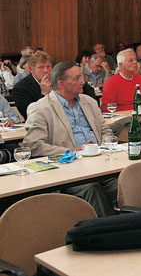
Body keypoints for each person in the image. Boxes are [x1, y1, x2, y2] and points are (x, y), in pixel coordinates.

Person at [23, 62, 116, 217]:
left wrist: (107, 146)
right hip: (69, 169)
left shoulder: (89, 102)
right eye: (77, 78)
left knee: (127, 182)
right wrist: (72, 151)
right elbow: (34, 146)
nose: (83, 82)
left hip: (101, 163)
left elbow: (105, 132)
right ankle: (111, 232)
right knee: (91, 188)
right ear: (61, 84)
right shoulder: (41, 108)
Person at [13, 52, 53, 120]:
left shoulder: (59, 82)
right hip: (38, 126)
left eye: (48, 66)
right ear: (31, 70)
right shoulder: (21, 88)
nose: (46, 70)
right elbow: (29, 114)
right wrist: (43, 93)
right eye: (41, 67)